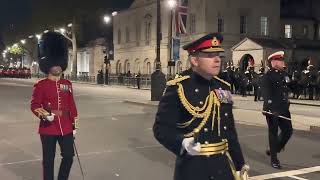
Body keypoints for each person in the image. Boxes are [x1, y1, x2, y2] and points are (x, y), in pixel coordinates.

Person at [153, 33, 249, 180]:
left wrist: (239, 165)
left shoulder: (223, 87)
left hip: (223, 169)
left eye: (218, 55)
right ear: (194, 60)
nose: (217, 59)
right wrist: (182, 142)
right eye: (209, 55)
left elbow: (229, 131)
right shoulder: (179, 87)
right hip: (194, 168)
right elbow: (161, 129)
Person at [30, 32, 79, 180]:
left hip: (66, 127)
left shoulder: (67, 84)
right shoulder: (41, 85)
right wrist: (45, 115)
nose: (57, 67)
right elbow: (34, 105)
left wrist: (74, 126)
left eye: (59, 64)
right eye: (54, 63)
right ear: (48, 64)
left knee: (69, 157)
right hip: (48, 128)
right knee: (48, 161)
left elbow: (72, 106)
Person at [262, 51, 293, 169]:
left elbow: (289, 87)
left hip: (284, 108)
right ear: (274, 62)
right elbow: (266, 94)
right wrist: (270, 109)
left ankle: (275, 148)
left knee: (288, 131)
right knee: (273, 134)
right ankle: (274, 159)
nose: (283, 62)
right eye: (280, 60)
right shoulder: (268, 76)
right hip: (273, 110)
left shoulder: (284, 74)